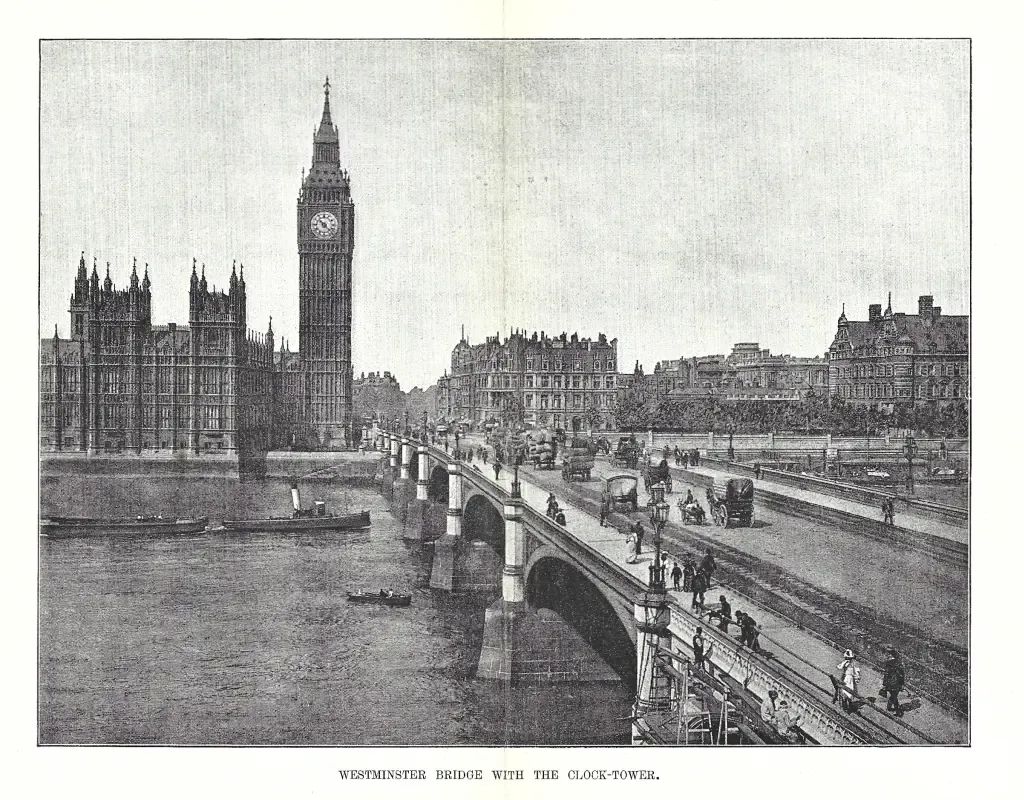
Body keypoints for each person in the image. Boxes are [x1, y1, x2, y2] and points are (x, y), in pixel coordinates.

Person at [881, 646, 906, 717]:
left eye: (889, 653)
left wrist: (884, 684)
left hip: (892, 683)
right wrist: (902, 684)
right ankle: (889, 707)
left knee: (894, 697)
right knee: (893, 696)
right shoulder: (898, 662)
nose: (887, 654)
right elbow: (902, 674)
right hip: (896, 682)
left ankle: (898, 712)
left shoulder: (889, 663)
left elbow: (886, 674)